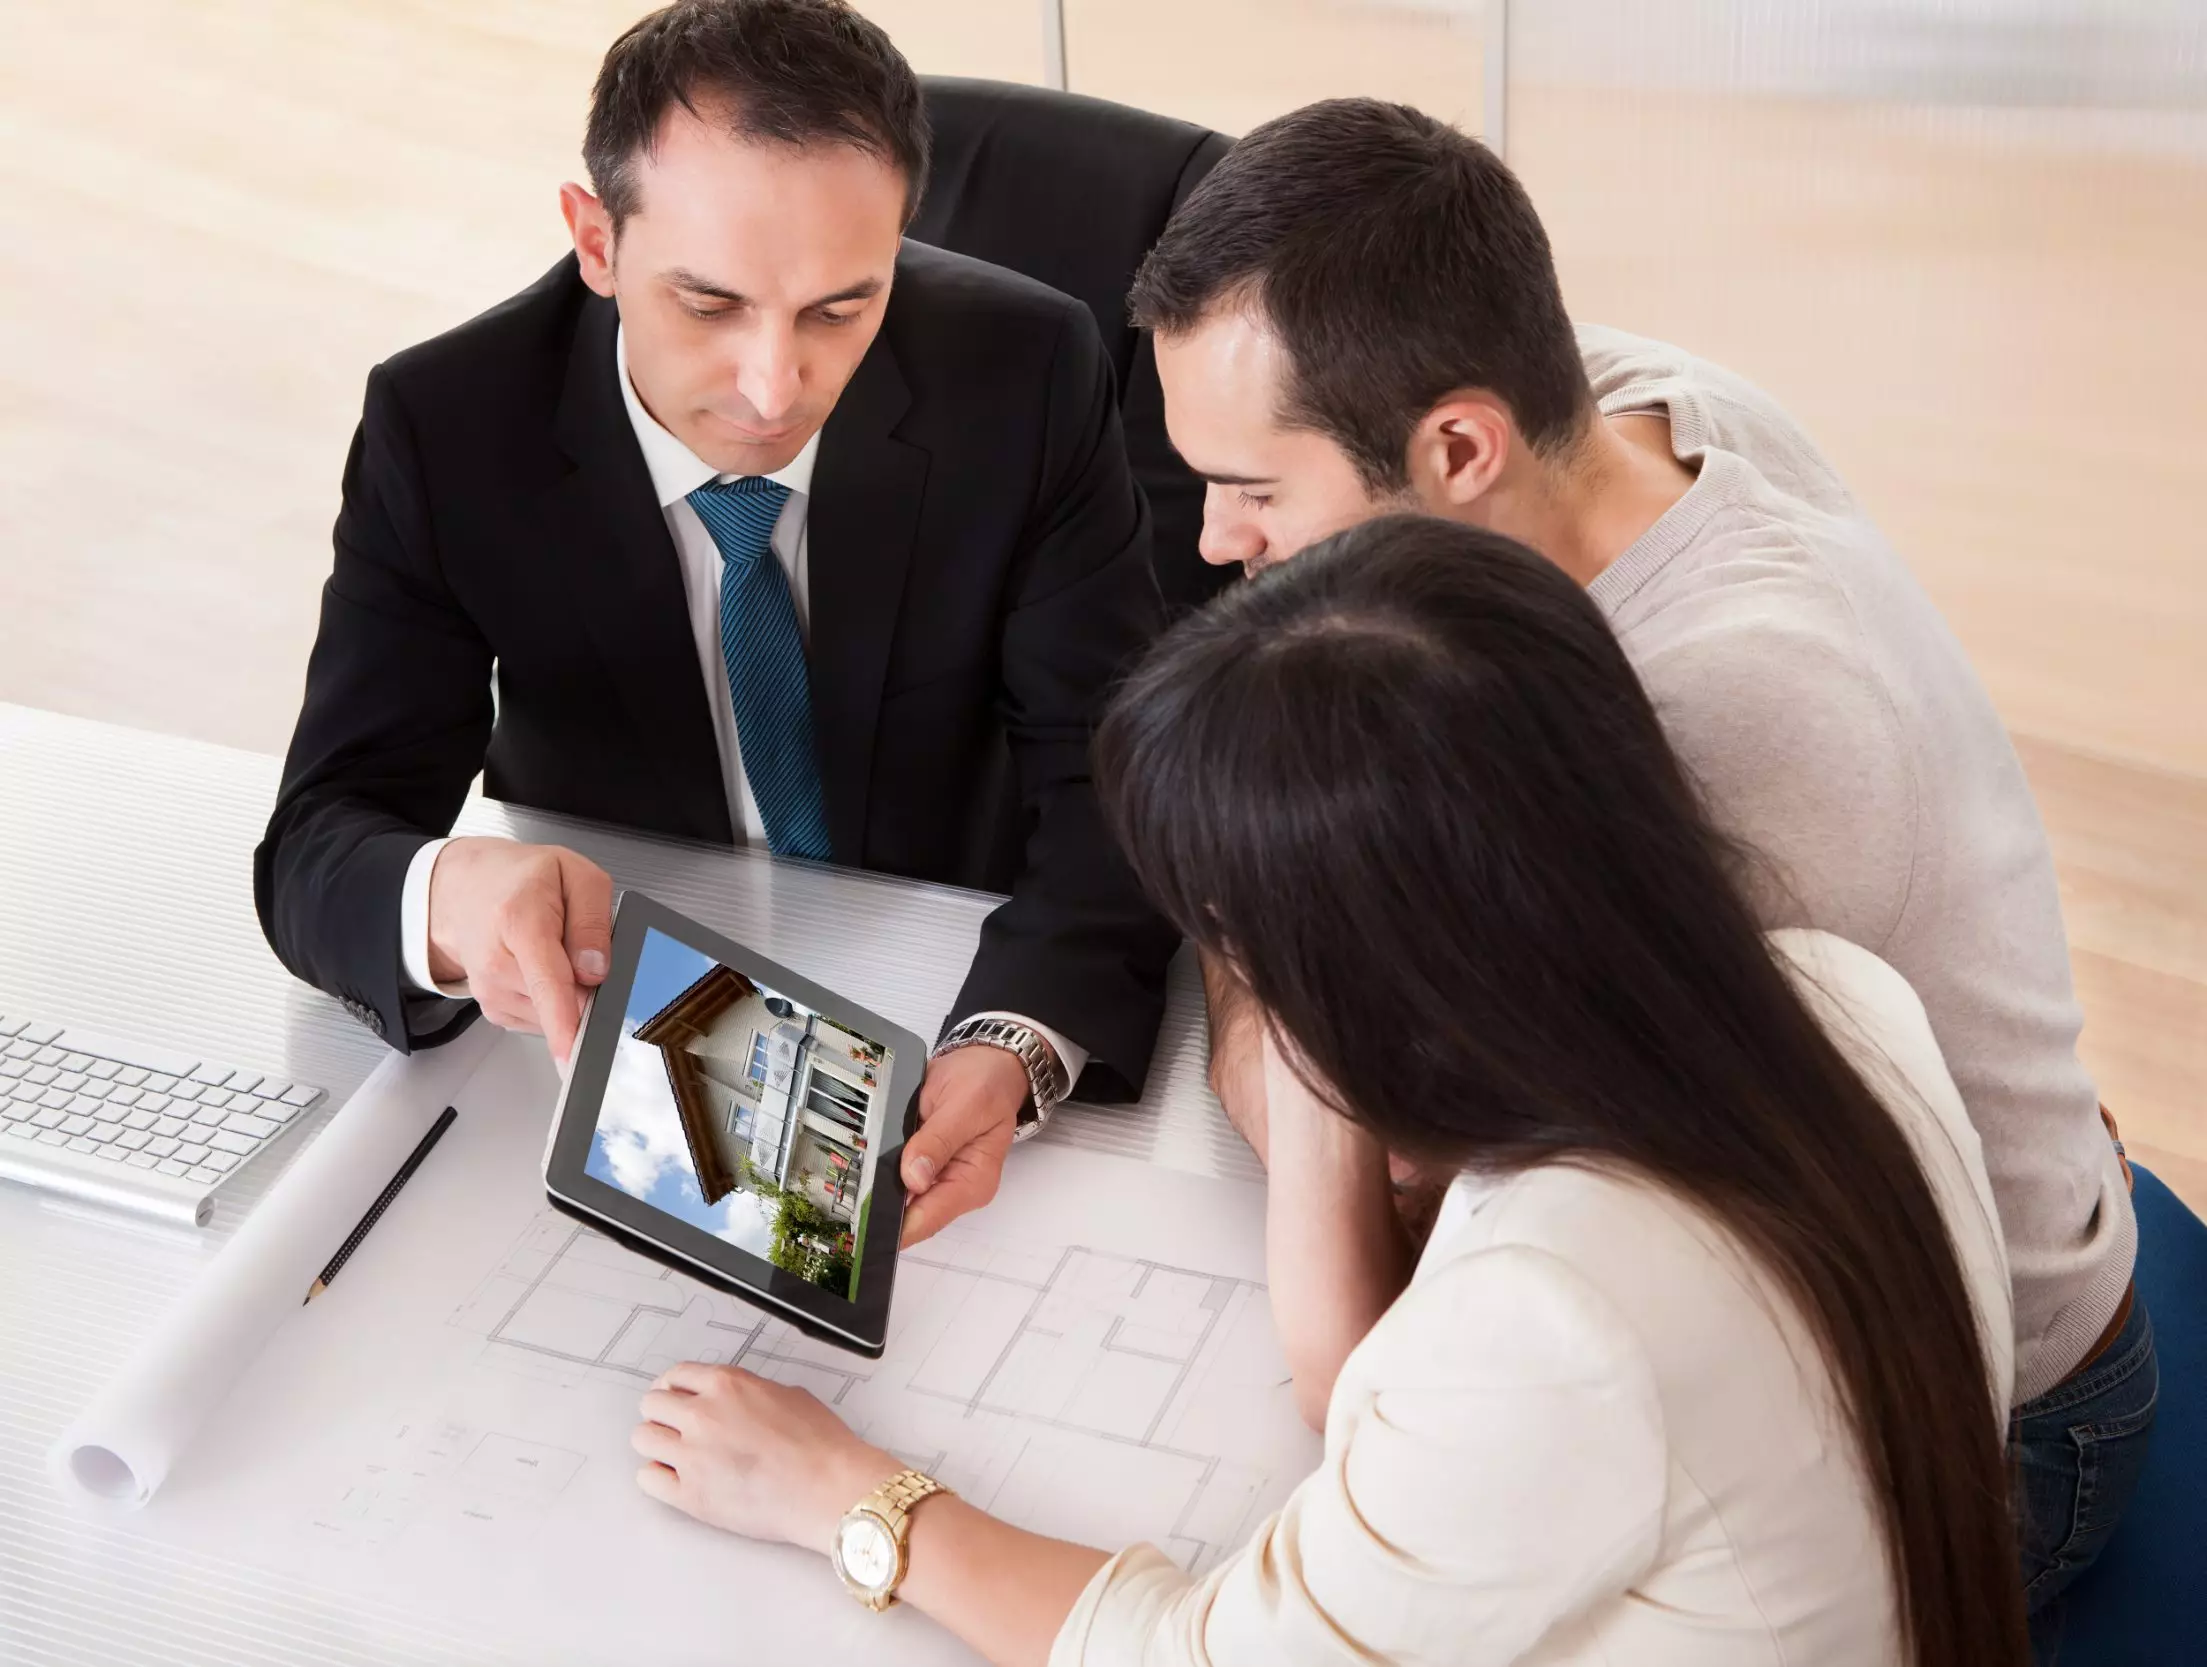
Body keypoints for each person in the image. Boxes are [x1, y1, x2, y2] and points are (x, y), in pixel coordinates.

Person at [620, 519, 2029, 1666]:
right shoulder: (1838, 998)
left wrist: (845, 1496)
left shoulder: (1556, 1311)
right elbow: (1364, 1384)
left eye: (1238, 943)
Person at [1123, 97, 2152, 1614]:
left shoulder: (1719, 731)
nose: (1214, 546)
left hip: (1983, 1424)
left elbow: (1396, 1256)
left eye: (1254, 490)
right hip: (1855, 1232)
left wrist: (1261, 927)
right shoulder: (1609, 404)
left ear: (1455, 443)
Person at [253, 0, 1178, 1244]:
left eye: (840, 310)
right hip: (634, 997)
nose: (771, 386)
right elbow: (319, 837)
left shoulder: (1029, 369)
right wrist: (449, 895)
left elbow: (1111, 762)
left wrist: (1018, 1039)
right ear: (595, 240)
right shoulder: (447, 425)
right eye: (708, 302)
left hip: (943, 957)